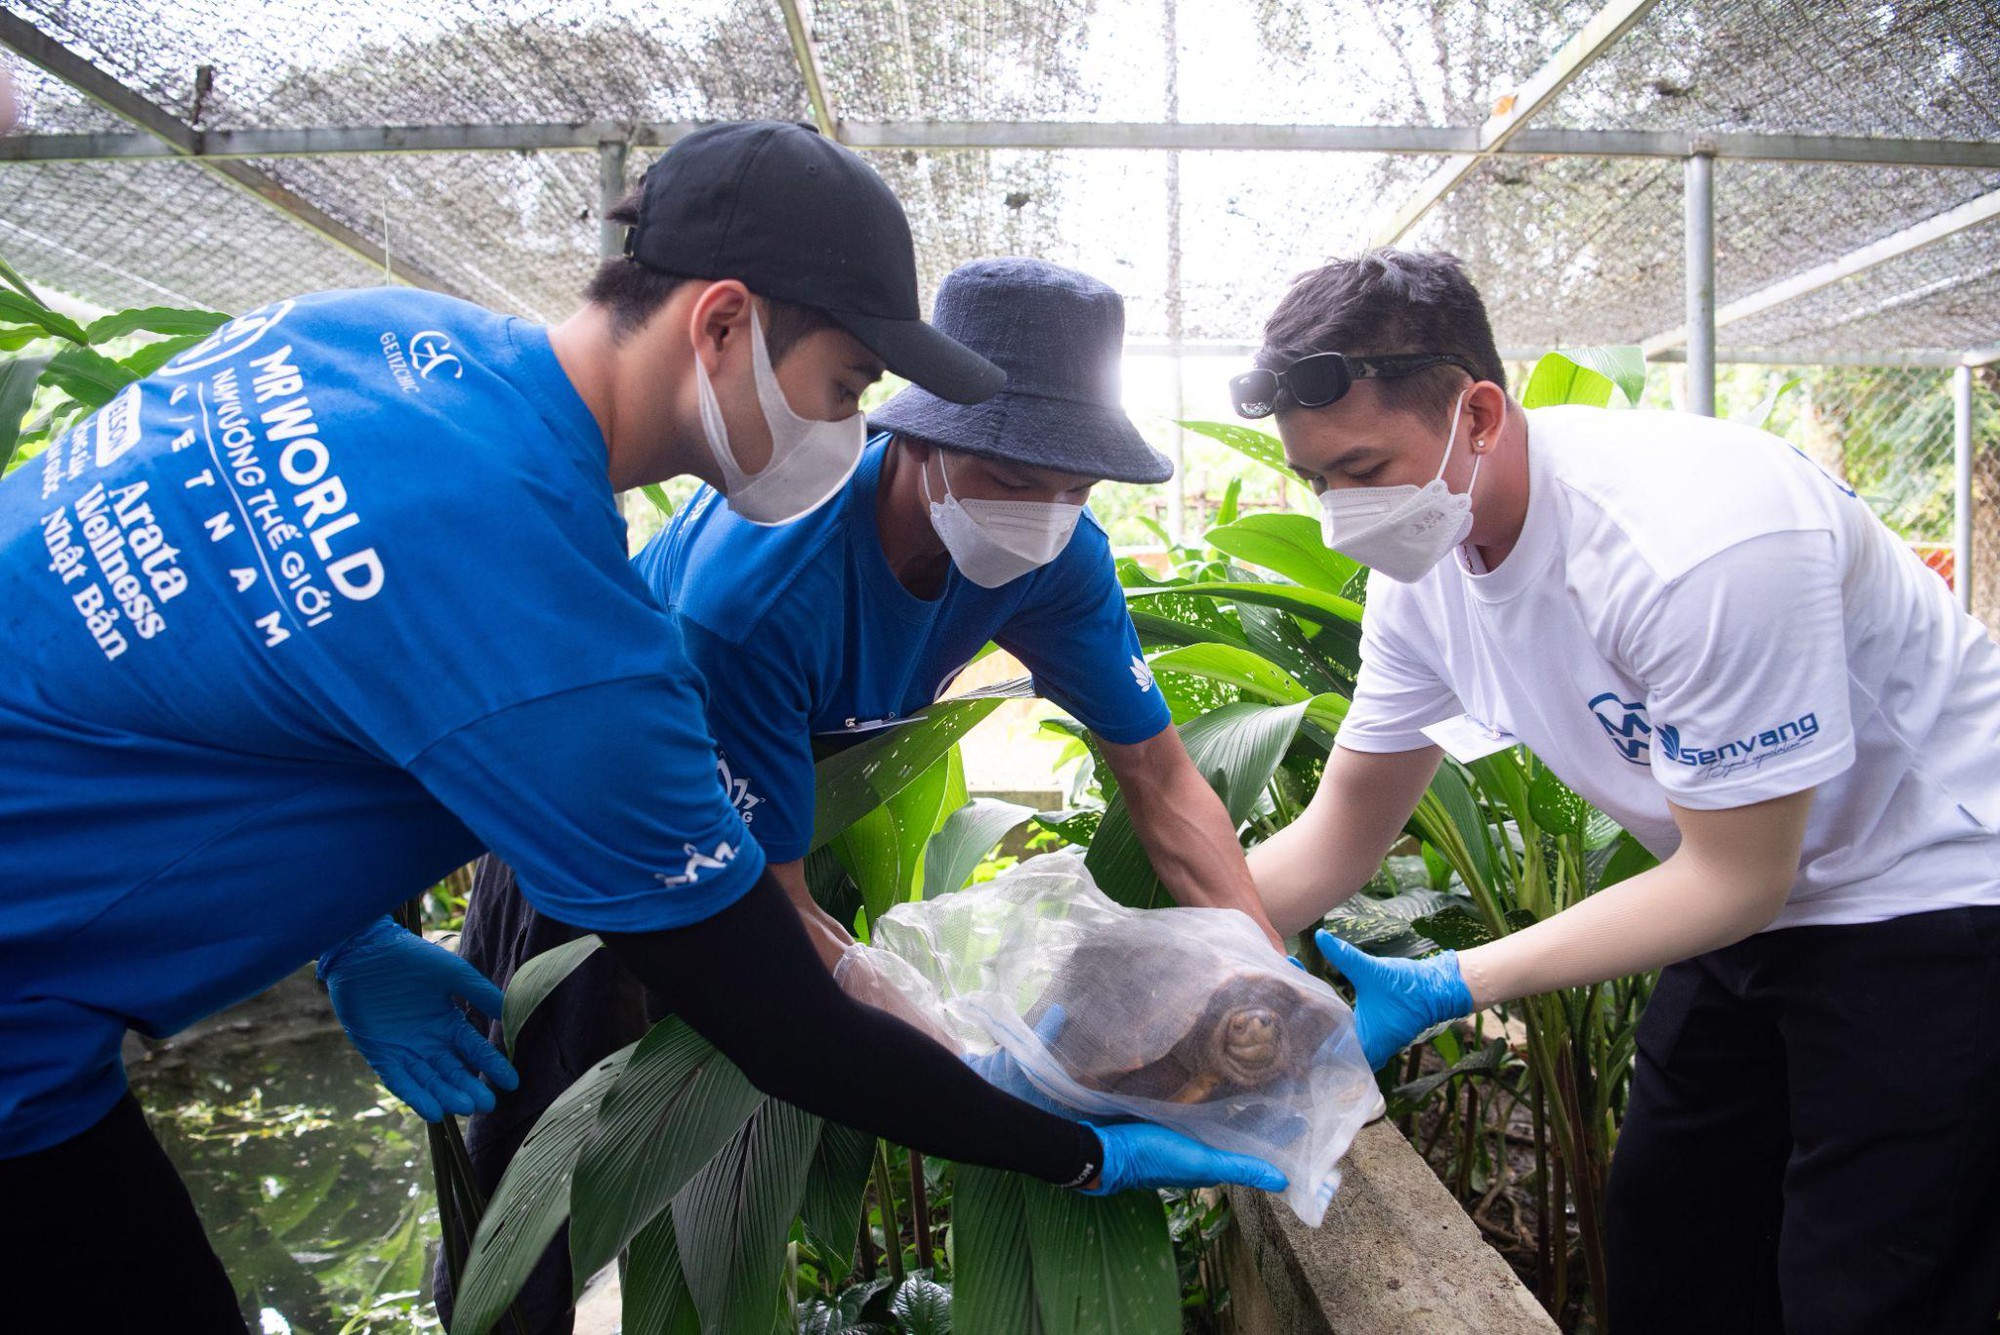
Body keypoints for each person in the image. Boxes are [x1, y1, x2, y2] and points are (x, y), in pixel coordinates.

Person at [0, 122, 1280, 1334]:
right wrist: (1075, 1146)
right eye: (844, 385)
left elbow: (241, 678)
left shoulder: (366, 337)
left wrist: (349, 944)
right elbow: (785, 1025)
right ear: (720, 322)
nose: (842, 426)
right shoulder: (571, 632)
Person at [437, 255, 1287, 1329]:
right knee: (552, 1145)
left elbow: (1161, 780)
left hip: (778, 797)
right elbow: (775, 914)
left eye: (1078, 488)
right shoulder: (761, 592)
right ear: (920, 440)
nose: (1048, 516)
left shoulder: (1055, 554)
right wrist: (968, 1080)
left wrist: (1268, 985)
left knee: (753, 1127)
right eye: (1019, 482)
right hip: (596, 827)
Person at [1240, 250, 2000, 1334]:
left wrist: (1445, 982)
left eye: (1364, 468)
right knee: (1671, 1244)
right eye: (1317, 480)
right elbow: (1339, 835)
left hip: (1932, 898)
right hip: (1742, 902)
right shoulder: (1425, 576)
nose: (1340, 513)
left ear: (1481, 415)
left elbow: (1736, 878)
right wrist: (1151, 968)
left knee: (1871, 1278)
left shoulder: (1695, 541)